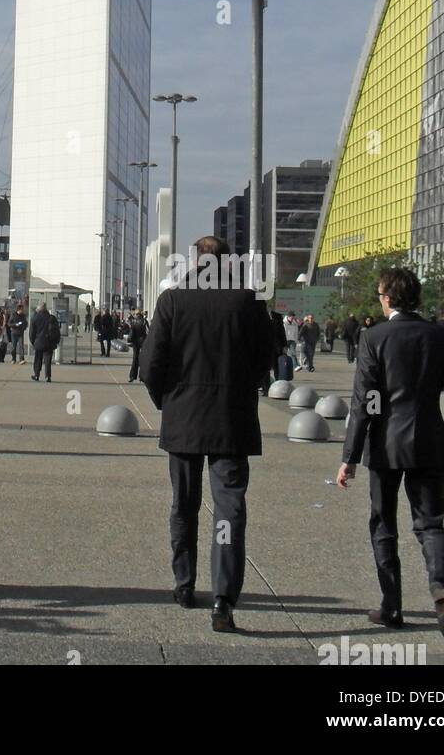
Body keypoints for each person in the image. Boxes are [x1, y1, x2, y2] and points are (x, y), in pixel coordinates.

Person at [140, 235, 275, 633]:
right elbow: (265, 361)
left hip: (184, 418)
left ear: (196, 261)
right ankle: (223, 598)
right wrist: (241, 390)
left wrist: (166, 401)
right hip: (231, 420)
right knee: (229, 509)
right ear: (226, 263)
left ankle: (184, 584)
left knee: (184, 504)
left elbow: (151, 364)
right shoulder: (250, 303)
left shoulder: (173, 301)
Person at [336, 266, 444, 641]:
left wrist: (350, 454)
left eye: (380, 295)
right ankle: (439, 585)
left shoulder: (375, 337)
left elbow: (366, 400)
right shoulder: (441, 336)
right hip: (429, 440)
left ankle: (391, 604)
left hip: (385, 444)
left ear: (389, 297)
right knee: (431, 522)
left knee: (383, 523)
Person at [30, 304, 59, 382]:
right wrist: (56, 342)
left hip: (38, 342)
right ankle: (47, 376)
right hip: (49, 342)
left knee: (38, 359)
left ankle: (36, 375)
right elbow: (57, 331)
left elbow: (32, 332)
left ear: (39, 310)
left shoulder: (35, 318)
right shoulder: (52, 318)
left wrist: (33, 342)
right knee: (48, 360)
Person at [128, 311, 148, 383]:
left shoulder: (133, 322)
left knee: (135, 358)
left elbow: (131, 331)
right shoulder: (144, 322)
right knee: (143, 359)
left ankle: (132, 376)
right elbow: (148, 331)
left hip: (135, 342)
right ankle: (142, 376)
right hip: (143, 341)